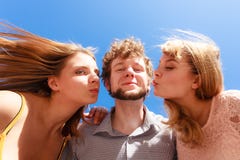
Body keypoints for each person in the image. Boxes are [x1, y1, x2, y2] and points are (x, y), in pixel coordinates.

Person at [0, 22, 106, 160]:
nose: (95, 78)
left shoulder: (67, 144)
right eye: (81, 72)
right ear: (54, 83)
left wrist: (108, 118)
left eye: (97, 73)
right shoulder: (11, 105)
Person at [70, 37, 177, 160]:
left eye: (137, 69)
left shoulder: (172, 134)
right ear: (107, 84)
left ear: (149, 83)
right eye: (120, 69)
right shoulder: (81, 135)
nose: (130, 72)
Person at [153, 30, 240, 160]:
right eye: (159, 65)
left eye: (169, 67)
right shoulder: (178, 135)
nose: (156, 72)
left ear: (196, 80)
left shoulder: (233, 104)